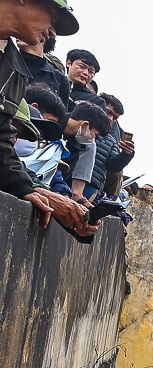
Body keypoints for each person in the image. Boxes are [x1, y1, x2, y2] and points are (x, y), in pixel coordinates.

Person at [0, 0, 93, 235]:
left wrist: (27, 189)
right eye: (52, 17)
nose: (52, 31)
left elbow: (2, 141)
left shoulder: (14, 70)